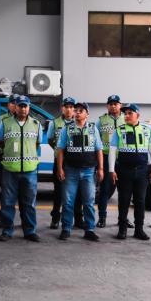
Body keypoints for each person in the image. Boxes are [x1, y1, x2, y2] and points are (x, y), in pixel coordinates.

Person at [109, 104, 151, 240]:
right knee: (123, 201)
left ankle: (139, 230)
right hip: (124, 171)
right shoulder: (119, 130)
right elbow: (112, 151)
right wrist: (111, 170)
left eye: (130, 113)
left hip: (142, 172)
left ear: (138, 115)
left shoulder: (147, 130)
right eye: (125, 113)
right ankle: (122, 229)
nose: (127, 116)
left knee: (140, 201)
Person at [0, 95, 41, 242]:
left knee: (29, 203)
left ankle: (30, 231)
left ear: (29, 108)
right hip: (10, 169)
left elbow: (37, 143)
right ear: (16, 107)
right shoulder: (5, 123)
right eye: (20, 106)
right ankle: (7, 231)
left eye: (25, 106)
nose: (23, 108)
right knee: (8, 202)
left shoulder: (36, 124)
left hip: (30, 170)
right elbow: (0, 141)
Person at [57, 102, 103, 241]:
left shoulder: (93, 129)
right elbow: (60, 149)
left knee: (89, 202)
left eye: (81, 111)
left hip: (89, 172)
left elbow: (99, 149)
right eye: (76, 110)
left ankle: (89, 229)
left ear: (87, 114)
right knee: (68, 202)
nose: (77, 113)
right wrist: (60, 168)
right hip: (70, 171)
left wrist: (100, 168)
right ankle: (66, 228)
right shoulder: (67, 129)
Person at [46, 97, 83, 229]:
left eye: (71, 107)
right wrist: (59, 151)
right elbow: (50, 140)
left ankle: (78, 219)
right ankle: (55, 218)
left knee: (78, 192)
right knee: (59, 192)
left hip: (75, 161)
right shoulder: (54, 123)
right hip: (60, 162)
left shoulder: (79, 122)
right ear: (62, 108)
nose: (69, 109)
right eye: (66, 107)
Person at [95, 95, 131, 228]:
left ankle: (123, 218)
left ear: (120, 105)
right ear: (107, 106)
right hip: (105, 158)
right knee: (105, 189)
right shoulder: (101, 120)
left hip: (123, 158)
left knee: (124, 190)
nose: (113, 106)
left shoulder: (126, 118)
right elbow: (96, 141)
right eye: (110, 104)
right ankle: (102, 218)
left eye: (116, 103)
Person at [0, 94, 18, 229]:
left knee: (24, 194)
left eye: (17, 103)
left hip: (24, 162)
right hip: (5, 159)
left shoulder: (30, 120)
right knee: (6, 192)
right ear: (8, 105)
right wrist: (4, 147)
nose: (15, 105)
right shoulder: (1, 119)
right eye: (12, 103)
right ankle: (4, 219)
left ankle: (26, 221)